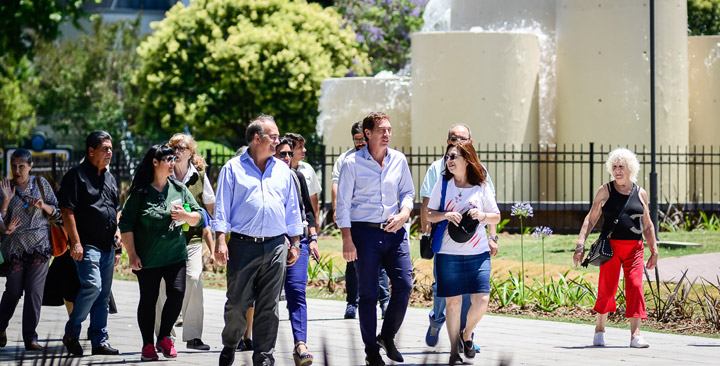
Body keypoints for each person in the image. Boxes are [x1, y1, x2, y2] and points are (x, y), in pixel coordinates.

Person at [213, 115, 303, 366]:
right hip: (243, 245)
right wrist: (221, 239)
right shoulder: (233, 168)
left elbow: (292, 209)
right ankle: (231, 343)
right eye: (273, 137)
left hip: (276, 245)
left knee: (269, 305)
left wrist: (295, 242)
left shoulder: (283, 170)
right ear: (257, 138)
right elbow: (222, 207)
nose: (278, 142)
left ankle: (264, 355)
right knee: (238, 302)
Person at [336, 112, 414, 366]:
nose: (387, 134)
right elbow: (343, 205)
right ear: (367, 133)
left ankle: (387, 336)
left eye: (389, 129)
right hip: (364, 234)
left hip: (395, 232)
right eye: (381, 129)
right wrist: (347, 239)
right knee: (368, 295)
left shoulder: (399, 160)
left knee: (404, 285)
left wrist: (404, 213)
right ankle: (371, 351)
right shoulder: (351, 163)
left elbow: (407, 192)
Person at [119, 144, 203, 361]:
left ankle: (164, 337)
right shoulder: (140, 193)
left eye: (174, 159)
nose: (172, 163)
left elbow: (199, 216)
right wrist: (132, 254)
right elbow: (126, 223)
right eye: (168, 159)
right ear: (155, 162)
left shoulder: (178, 188)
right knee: (149, 299)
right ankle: (147, 344)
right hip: (148, 258)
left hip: (175, 255)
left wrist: (185, 216)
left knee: (177, 293)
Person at [420, 124, 497, 351]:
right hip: (445, 243)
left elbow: (490, 205)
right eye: (453, 138)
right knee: (440, 292)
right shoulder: (438, 169)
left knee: (468, 297)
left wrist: (493, 237)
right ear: (447, 142)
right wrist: (427, 232)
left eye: (462, 138)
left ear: (470, 143)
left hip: (473, 246)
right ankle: (436, 321)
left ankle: (465, 336)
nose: (457, 141)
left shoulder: (481, 173)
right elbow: (428, 204)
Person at [574, 148, 658, 348]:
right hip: (610, 248)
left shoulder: (640, 192)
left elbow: (647, 225)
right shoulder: (605, 190)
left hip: (635, 248)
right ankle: (600, 329)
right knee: (608, 289)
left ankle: (635, 335)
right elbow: (591, 218)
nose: (617, 170)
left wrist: (654, 250)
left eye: (621, 166)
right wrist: (580, 244)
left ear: (630, 168)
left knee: (636, 287)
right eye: (614, 167)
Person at [59, 131, 122, 356]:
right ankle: (72, 332)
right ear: (91, 151)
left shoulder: (110, 177)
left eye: (111, 148)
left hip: (107, 245)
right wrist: (75, 243)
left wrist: (118, 237)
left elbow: (117, 209)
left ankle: (99, 340)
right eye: (105, 148)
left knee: (103, 295)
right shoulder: (75, 176)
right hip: (86, 245)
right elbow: (67, 211)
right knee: (92, 286)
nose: (109, 152)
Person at [153, 133, 216, 351]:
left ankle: (193, 336)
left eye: (181, 148)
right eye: (173, 148)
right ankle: (165, 335)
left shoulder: (199, 175)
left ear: (191, 152)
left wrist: (214, 237)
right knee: (162, 286)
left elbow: (210, 205)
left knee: (193, 279)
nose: (177, 151)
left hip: (192, 238)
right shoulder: (163, 173)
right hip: (164, 240)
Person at [331, 121, 390, 320]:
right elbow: (336, 186)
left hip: (375, 221)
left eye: (362, 140)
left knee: (380, 263)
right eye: (356, 140)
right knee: (352, 261)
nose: (360, 143)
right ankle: (351, 303)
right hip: (354, 220)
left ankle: (384, 301)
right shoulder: (345, 159)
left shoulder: (380, 156)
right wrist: (337, 210)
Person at [0, 149, 58, 351]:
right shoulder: (5, 187)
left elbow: (57, 212)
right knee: (14, 291)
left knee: (34, 290)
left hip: (40, 246)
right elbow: (0, 221)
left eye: (22, 166)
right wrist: (6, 201)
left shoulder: (41, 185)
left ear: (30, 166)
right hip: (14, 246)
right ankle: (0, 327)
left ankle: (30, 337)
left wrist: (44, 206)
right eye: (14, 166)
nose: (17, 170)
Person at [275, 138, 319, 365]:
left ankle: (300, 344)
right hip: (270, 242)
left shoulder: (297, 177)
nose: (287, 158)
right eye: (281, 154)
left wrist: (312, 239)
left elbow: (308, 213)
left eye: (289, 154)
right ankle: (255, 341)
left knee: (296, 291)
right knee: (265, 297)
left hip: (297, 241)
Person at [284, 133, 321, 232]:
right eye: (300, 147)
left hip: (304, 222)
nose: (304, 150)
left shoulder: (307, 169)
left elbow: (313, 197)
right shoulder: (279, 170)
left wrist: (316, 220)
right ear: (291, 149)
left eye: (303, 146)